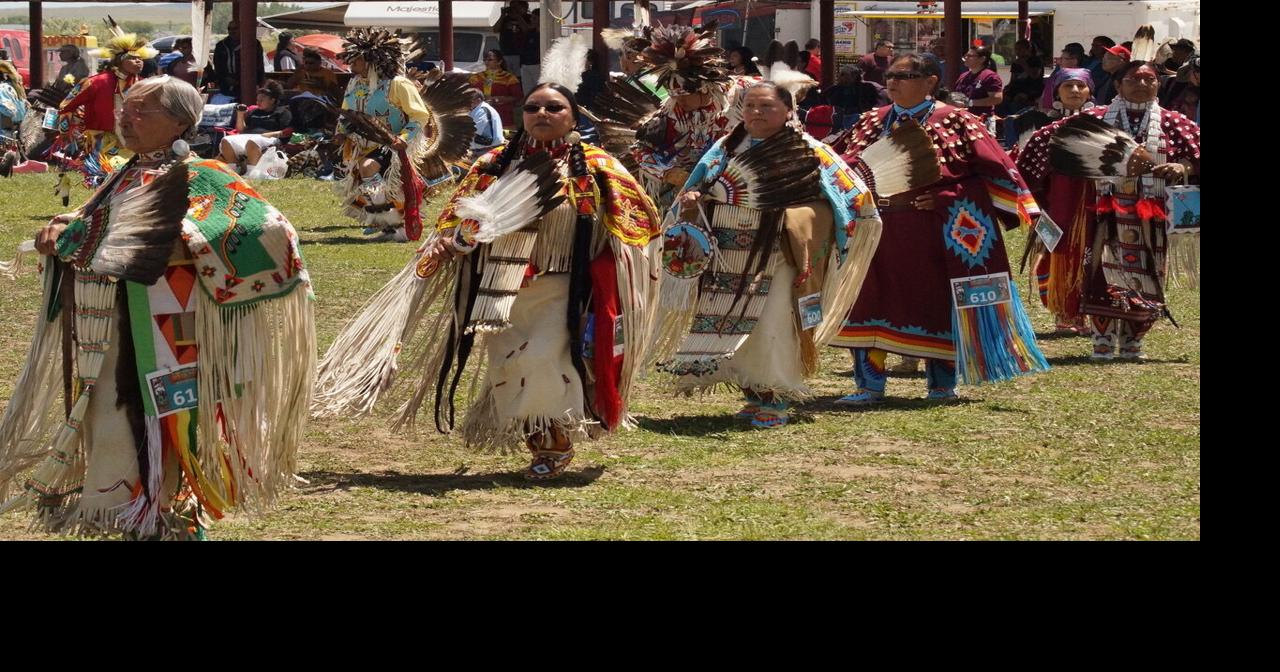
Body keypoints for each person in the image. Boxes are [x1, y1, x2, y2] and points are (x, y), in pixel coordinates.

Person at [0, 76, 315, 539]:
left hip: (168, 338)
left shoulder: (201, 173)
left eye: (142, 111)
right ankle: (135, 516)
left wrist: (176, 242)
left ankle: (163, 519)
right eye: (126, 107)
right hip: (109, 331)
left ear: (179, 122)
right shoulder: (125, 173)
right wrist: (66, 225)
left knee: (160, 435)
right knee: (112, 421)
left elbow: (266, 229)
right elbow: (97, 222)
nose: (126, 117)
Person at [313, 80, 662, 481]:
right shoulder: (495, 162)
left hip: (564, 284)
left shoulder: (598, 166)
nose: (542, 115)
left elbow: (639, 223)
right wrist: (452, 241)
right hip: (499, 286)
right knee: (510, 365)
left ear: (573, 117)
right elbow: (455, 219)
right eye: (533, 108)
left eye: (554, 108)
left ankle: (556, 445)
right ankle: (542, 439)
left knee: (543, 359)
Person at [654, 81, 883, 428]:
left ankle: (775, 394)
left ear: (789, 111)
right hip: (726, 253)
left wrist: (798, 217)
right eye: (750, 107)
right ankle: (752, 390)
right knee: (731, 321)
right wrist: (693, 199)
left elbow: (853, 197)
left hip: (777, 254)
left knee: (772, 322)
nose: (756, 113)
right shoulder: (724, 148)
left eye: (767, 107)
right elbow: (698, 186)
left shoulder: (809, 150)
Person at [832, 53, 1048, 403]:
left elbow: (995, 174)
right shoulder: (872, 121)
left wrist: (947, 197)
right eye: (890, 76)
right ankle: (869, 385)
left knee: (934, 301)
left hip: (933, 231)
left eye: (904, 76)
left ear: (930, 81)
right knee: (870, 300)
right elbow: (841, 170)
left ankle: (942, 384)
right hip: (875, 230)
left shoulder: (959, 121)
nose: (892, 82)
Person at [1016, 59, 1199, 360]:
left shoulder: (1173, 123)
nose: (1142, 84)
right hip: (1100, 214)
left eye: (1149, 79)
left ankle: (1133, 340)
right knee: (1100, 273)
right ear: (1117, 85)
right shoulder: (1096, 119)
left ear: (1158, 84)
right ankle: (1102, 337)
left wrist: (1183, 165)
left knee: (1148, 273)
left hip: (1151, 216)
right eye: (1133, 79)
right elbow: (1043, 143)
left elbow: (1196, 153)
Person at [1012, 69, 1096, 333]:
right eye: (1068, 86)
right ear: (1056, 92)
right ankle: (1063, 312)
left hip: (1094, 203)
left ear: (1090, 92)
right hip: (1056, 205)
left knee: (1095, 254)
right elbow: (1025, 173)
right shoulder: (1043, 131)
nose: (1074, 91)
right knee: (1056, 254)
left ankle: (1094, 312)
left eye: (1080, 86)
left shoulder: (1105, 125)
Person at [334, 27, 434, 241]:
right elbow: (346, 111)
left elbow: (419, 115)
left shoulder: (397, 84)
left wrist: (403, 139)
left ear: (372, 60)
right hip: (363, 143)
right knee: (370, 178)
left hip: (396, 142)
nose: (352, 65)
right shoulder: (354, 83)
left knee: (370, 169)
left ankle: (394, 224)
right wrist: (341, 132)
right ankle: (388, 225)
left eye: (357, 60)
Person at [630, 23, 737, 211]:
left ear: (704, 87)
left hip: (732, 190)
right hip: (685, 195)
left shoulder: (737, 99)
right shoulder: (671, 114)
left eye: (684, 95)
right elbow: (639, 150)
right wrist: (667, 172)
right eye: (673, 95)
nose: (679, 101)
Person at [53, 31, 156, 187]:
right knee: (108, 177)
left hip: (133, 140)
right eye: (133, 58)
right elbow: (66, 105)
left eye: (140, 59)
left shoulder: (142, 85)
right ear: (120, 61)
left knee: (134, 177)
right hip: (101, 141)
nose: (138, 62)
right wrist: (67, 132)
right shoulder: (96, 82)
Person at [219, 80, 292, 173]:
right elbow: (241, 130)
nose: (258, 103)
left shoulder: (282, 112)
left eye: (261, 100)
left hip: (269, 138)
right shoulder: (254, 112)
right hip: (250, 137)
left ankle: (252, 173)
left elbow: (287, 131)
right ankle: (233, 171)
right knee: (226, 140)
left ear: (272, 100)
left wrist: (267, 135)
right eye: (257, 100)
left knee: (253, 142)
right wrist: (240, 115)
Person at [212, 19, 264, 101]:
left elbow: (259, 65)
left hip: (246, 85)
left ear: (242, 29)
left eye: (235, 28)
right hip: (226, 85)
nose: (232, 31)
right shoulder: (221, 45)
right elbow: (217, 65)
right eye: (229, 29)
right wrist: (224, 78)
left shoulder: (253, 44)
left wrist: (259, 83)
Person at [469, 49, 523, 126]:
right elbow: (469, 94)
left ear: (499, 61)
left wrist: (498, 99)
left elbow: (518, 97)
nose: (486, 62)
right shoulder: (476, 77)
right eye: (485, 60)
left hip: (502, 115)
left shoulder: (509, 78)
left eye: (490, 60)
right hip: (480, 115)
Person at [826, 64, 887, 129]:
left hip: (864, 122)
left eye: (844, 74)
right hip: (839, 122)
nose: (840, 76)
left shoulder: (870, 88)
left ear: (855, 75)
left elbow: (879, 108)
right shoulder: (833, 90)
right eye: (840, 74)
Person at [954, 46, 1003, 115]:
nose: (966, 58)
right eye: (966, 55)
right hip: (963, 117)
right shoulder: (963, 76)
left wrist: (970, 103)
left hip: (982, 120)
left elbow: (997, 99)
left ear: (982, 59)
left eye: (970, 56)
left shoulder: (990, 76)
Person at [493, 0, 533, 76]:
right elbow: (495, 29)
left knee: (519, 77)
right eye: (512, 7)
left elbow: (527, 30)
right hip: (506, 52)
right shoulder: (506, 19)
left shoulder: (528, 18)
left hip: (521, 54)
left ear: (524, 7)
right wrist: (502, 15)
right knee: (506, 77)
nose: (513, 9)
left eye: (516, 7)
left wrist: (518, 17)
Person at [467, 86, 503, 160]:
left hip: (486, 152)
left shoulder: (482, 111)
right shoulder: (477, 110)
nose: (467, 102)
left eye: (470, 99)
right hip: (482, 151)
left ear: (478, 100)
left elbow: (472, 132)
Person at [520, 9, 541, 97]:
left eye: (534, 18)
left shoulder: (545, 34)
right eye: (532, 18)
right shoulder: (530, 33)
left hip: (537, 64)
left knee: (539, 89)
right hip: (525, 64)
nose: (531, 20)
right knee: (527, 91)